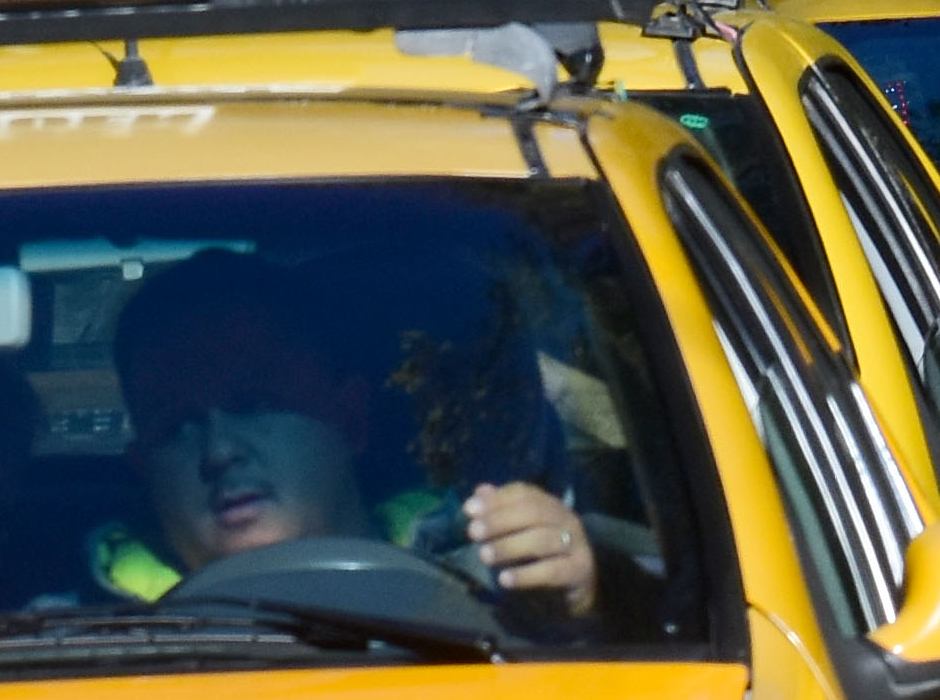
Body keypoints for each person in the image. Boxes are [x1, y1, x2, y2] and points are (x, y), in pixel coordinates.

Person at [97, 251, 600, 619]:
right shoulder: (65, 634)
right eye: (176, 426)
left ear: (349, 421)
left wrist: (577, 593)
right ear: (142, 469)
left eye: (255, 404)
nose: (219, 450)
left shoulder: (487, 560)